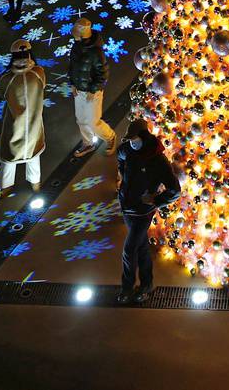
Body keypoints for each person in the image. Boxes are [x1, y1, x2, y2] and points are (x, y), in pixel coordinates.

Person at [115, 120, 182, 304]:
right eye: (129, 140)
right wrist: (123, 180)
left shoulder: (157, 160)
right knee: (142, 248)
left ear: (144, 138)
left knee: (129, 250)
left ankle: (127, 288)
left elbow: (175, 190)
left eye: (134, 139)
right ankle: (147, 285)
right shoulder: (126, 149)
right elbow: (119, 157)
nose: (131, 143)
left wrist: (156, 200)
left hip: (143, 213)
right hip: (127, 208)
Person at [0, 39, 46, 195]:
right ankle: (35, 184)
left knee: (9, 158)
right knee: (34, 155)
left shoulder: (7, 79)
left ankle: (6, 187)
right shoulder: (39, 73)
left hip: (14, 127)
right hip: (34, 125)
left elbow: (1, 93)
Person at [65, 17, 116, 158]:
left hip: (92, 93)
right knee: (81, 119)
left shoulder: (96, 52)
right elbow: (72, 66)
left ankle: (110, 137)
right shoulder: (76, 46)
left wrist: (94, 89)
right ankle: (88, 143)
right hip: (79, 90)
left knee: (93, 122)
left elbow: (103, 74)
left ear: (82, 35)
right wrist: (72, 83)